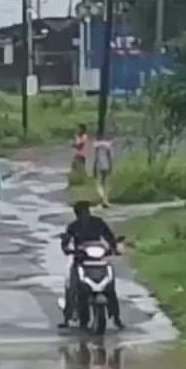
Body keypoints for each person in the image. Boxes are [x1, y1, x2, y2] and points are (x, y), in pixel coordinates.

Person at [58, 200, 123, 329]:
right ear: (76, 214)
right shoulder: (73, 227)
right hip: (80, 259)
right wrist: (67, 247)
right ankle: (67, 316)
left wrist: (114, 247)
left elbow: (108, 236)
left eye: (85, 211)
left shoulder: (98, 223)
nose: (84, 214)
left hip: (99, 259)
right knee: (70, 284)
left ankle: (116, 317)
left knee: (110, 287)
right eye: (81, 212)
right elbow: (67, 241)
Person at [92, 137, 114, 208]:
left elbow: (96, 158)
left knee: (100, 183)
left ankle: (104, 199)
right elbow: (109, 157)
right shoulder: (107, 146)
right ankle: (104, 200)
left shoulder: (97, 146)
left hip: (100, 165)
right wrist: (111, 166)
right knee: (104, 182)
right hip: (105, 165)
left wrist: (94, 168)